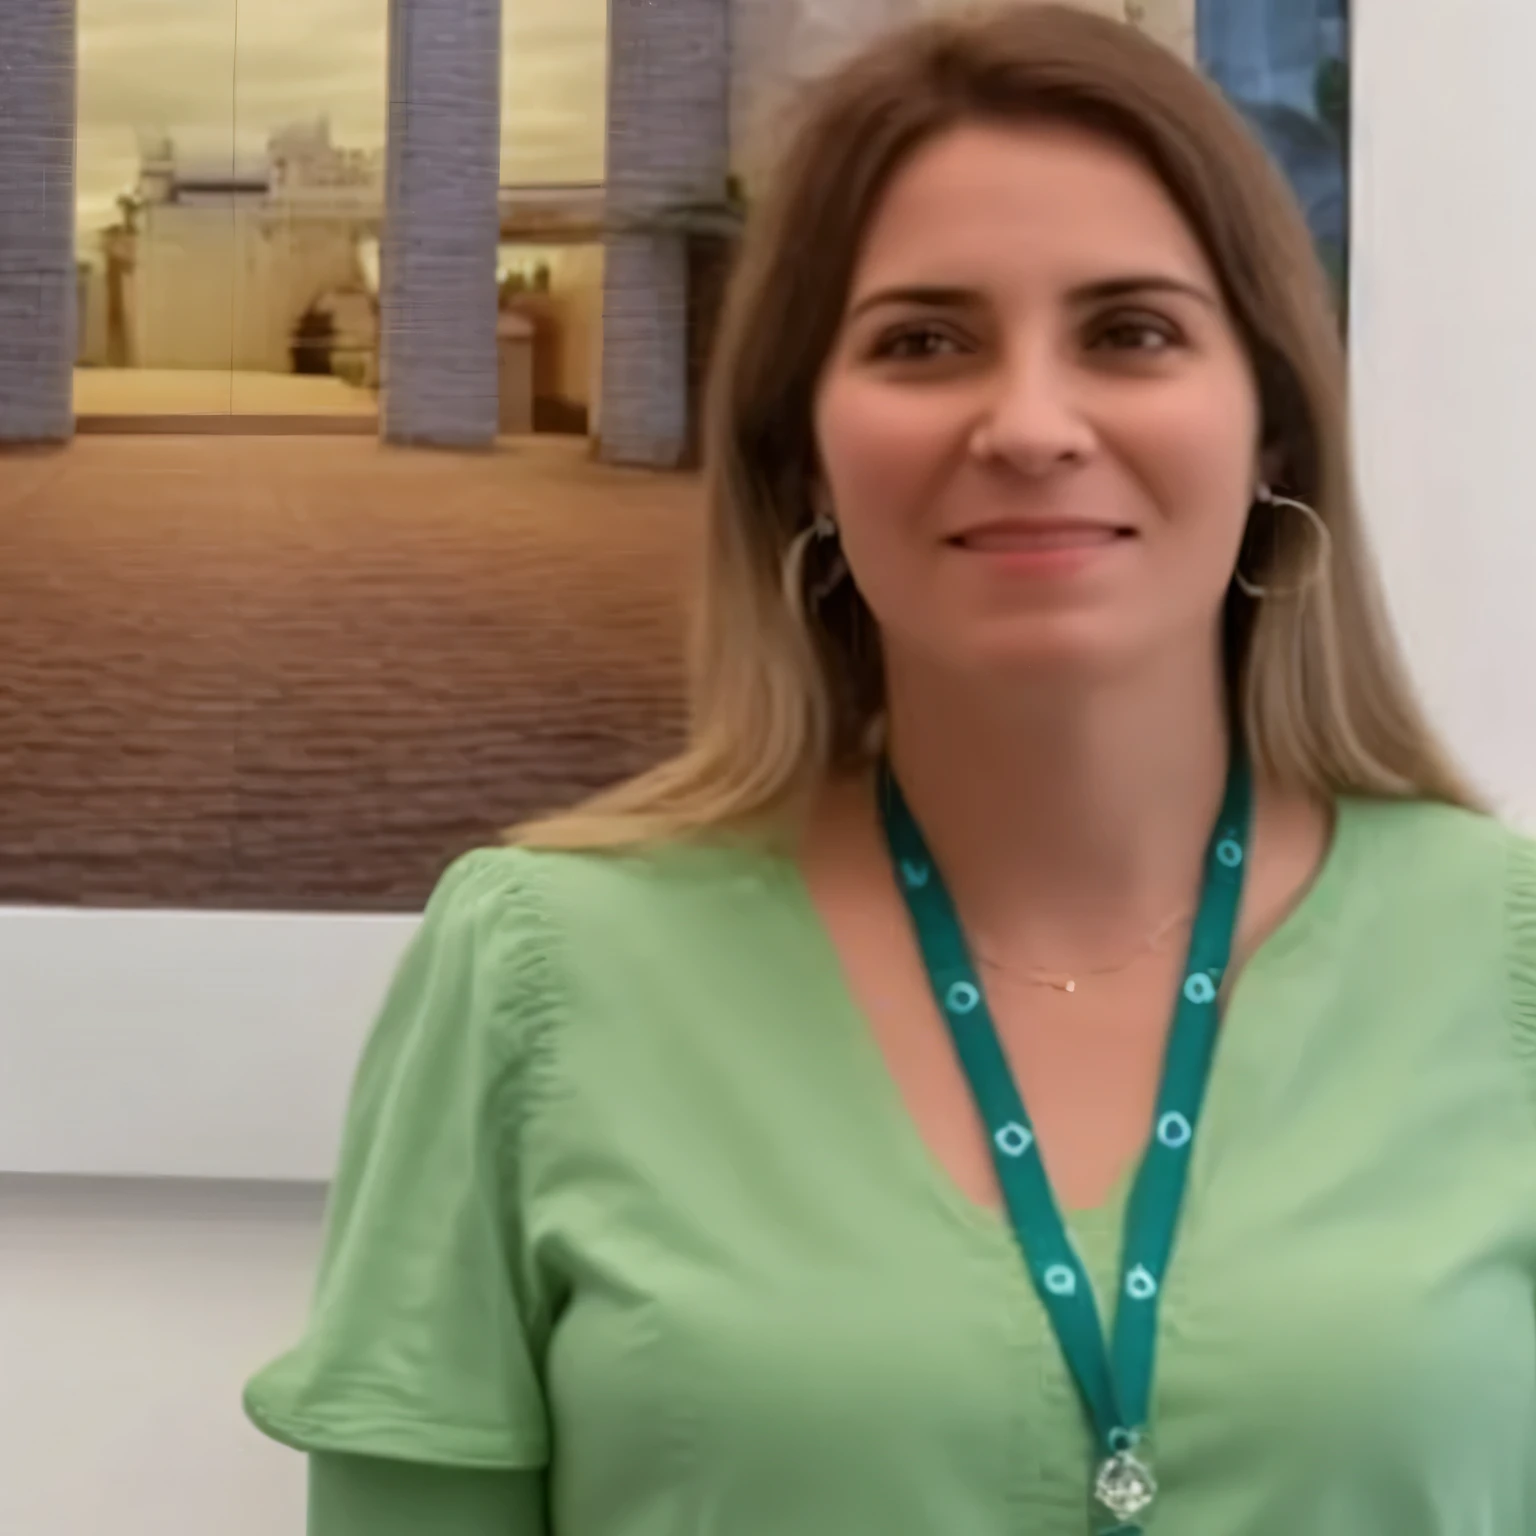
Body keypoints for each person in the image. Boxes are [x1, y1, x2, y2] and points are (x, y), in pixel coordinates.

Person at [244, 6, 1536, 1534]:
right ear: (805, 452)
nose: (1033, 425)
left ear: (1272, 431)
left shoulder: (1502, 961)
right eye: (925, 341)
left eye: (1131, 332)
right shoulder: (540, 972)